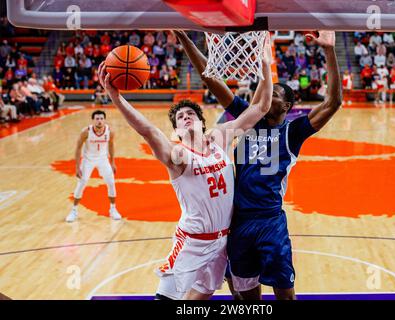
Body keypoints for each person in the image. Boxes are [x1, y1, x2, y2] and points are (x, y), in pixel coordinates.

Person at [97, 33, 274, 300]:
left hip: (224, 241)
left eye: (190, 113)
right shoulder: (179, 155)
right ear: (177, 131)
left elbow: (260, 106)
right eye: (180, 117)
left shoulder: (219, 138)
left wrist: (265, 63)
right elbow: (147, 131)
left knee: (202, 298)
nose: (186, 116)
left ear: (202, 122)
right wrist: (115, 97)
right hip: (193, 241)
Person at [174, 30, 341, 300]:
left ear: (286, 105)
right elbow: (211, 78)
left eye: (273, 93)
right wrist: (187, 41)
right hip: (238, 221)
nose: (263, 95)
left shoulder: (294, 131)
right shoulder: (249, 118)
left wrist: (329, 51)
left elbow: (333, 103)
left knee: (286, 295)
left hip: (270, 221)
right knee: (247, 298)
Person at [65, 110, 122, 222]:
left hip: (103, 159)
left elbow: (111, 146)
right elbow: (78, 148)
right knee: (82, 183)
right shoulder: (86, 132)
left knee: (111, 182)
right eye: (97, 119)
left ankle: (113, 209)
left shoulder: (110, 132)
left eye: (101, 118)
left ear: (104, 120)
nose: (99, 121)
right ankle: (74, 210)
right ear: (93, 120)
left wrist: (113, 162)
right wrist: (77, 167)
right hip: (88, 160)